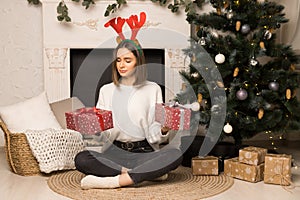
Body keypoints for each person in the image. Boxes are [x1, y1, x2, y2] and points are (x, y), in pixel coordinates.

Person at [74, 39, 183, 189]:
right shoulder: (106, 90)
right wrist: (97, 130)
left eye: (127, 60)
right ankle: (144, 174)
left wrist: (163, 129)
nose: (121, 65)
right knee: (81, 159)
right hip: (114, 152)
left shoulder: (153, 89)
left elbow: (154, 134)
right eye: (118, 60)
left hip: (144, 151)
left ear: (138, 62)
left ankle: (114, 181)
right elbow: (105, 135)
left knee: (175, 155)